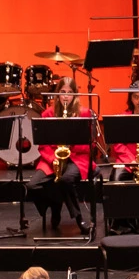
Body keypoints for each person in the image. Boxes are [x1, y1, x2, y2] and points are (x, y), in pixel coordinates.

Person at [32, 86, 94, 234]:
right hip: (53, 158)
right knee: (32, 186)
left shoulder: (84, 113)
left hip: (77, 158)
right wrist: (53, 158)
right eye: (62, 93)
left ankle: (79, 219)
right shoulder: (47, 114)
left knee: (64, 180)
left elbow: (89, 144)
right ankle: (55, 203)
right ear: (57, 94)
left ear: (75, 95)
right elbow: (43, 145)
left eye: (69, 93)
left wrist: (71, 147)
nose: (66, 96)